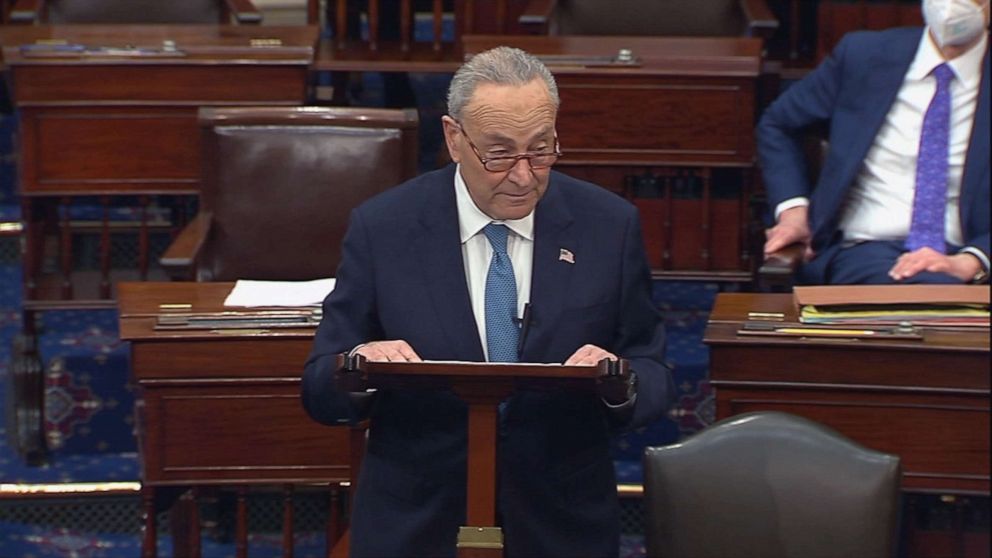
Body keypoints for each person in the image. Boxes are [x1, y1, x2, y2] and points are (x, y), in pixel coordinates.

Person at [302, 46, 673, 558]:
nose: (523, 176)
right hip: (417, 520)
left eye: (541, 150)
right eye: (499, 154)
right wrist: (360, 367)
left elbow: (654, 372)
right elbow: (319, 385)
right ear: (455, 138)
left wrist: (619, 379)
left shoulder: (608, 226)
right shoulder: (384, 227)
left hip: (561, 520)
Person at [758, 0, 990, 284]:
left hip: (970, 253)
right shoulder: (865, 56)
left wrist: (973, 260)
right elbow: (779, 124)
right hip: (869, 249)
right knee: (926, 290)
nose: (955, 6)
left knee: (939, 291)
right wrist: (793, 210)